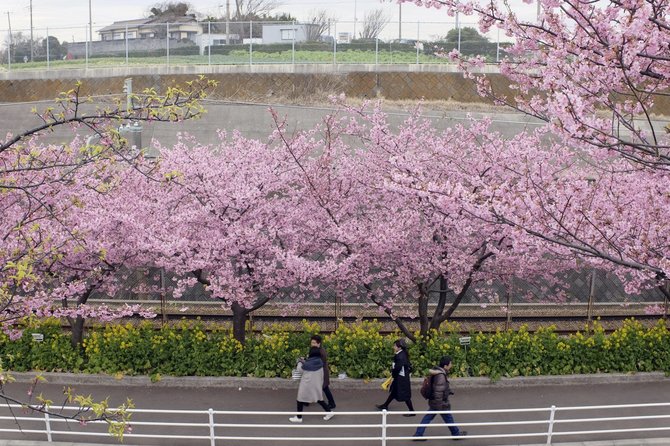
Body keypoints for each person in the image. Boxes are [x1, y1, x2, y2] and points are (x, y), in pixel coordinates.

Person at [412, 355, 467, 441]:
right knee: (447, 418)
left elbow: (439, 388)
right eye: (450, 363)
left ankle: (418, 434)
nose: (451, 365)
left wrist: (448, 391)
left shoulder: (438, 372)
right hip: (440, 403)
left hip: (436, 402)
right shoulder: (441, 376)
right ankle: (456, 434)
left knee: (431, 417)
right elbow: (438, 391)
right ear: (445, 366)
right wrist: (439, 406)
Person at [289, 346, 335, 423]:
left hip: (307, 385)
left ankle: (299, 417)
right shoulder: (320, 362)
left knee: (300, 399)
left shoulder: (307, 364)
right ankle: (329, 412)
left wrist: (300, 362)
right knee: (319, 399)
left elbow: (300, 370)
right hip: (316, 384)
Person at [375, 338, 415, 416]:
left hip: (401, 379)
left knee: (405, 395)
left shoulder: (400, 356)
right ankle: (385, 405)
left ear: (399, 347)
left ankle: (412, 411)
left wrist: (393, 374)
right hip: (402, 377)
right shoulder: (403, 354)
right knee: (394, 391)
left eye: (395, 346)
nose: (394, 347)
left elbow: (398, 368)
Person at [311, 334, 336, 409]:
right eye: (311, 342)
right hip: (319, 373)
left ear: (319, 343)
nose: (312, 344)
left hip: (322, 374)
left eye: (314, 343)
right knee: (320, 388)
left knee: (325, 388)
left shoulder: (321, 352)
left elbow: (319, 363)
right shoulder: (316, 350)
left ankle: (331, 404)